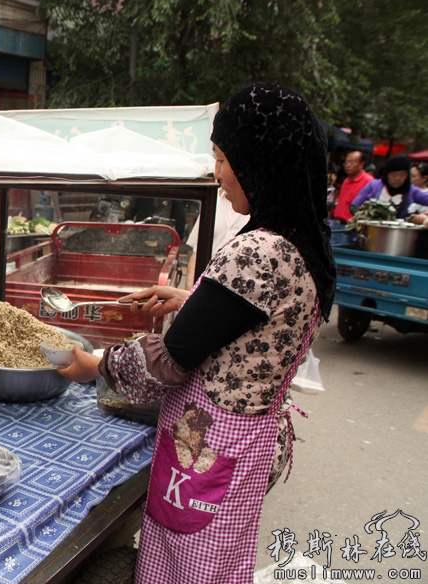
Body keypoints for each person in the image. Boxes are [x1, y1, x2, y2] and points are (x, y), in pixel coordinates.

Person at [58, 82, 335, 583]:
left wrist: (93, 366)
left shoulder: (259, 251)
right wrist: (191, 301)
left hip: (208, 446)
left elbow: (167, 362)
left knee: (189, 568)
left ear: (261, 163)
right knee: (219, 562)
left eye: (224, 158)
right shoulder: (304, 237)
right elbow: (264, 322)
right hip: (251, 439)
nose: (217, 173)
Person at [183, 189, 248, 288]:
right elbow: (197, 252)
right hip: (207, 288)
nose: (217, 173)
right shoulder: (213, 197)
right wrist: (189, 294)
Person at [350, 155, 428, 220]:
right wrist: (366, 218)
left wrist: (425, 217)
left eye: (402, 175)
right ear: (387, 174)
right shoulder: (373, 186)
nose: (397, 178)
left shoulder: (412, 190)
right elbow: (354, 205)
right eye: (393, 175)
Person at [330, 150, 374, 222]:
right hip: (336, 221)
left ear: (362, 164)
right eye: (346, 162)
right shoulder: (346, 180)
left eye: (352, 162)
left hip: (350, 226)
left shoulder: (368, 181)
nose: (348, 165)